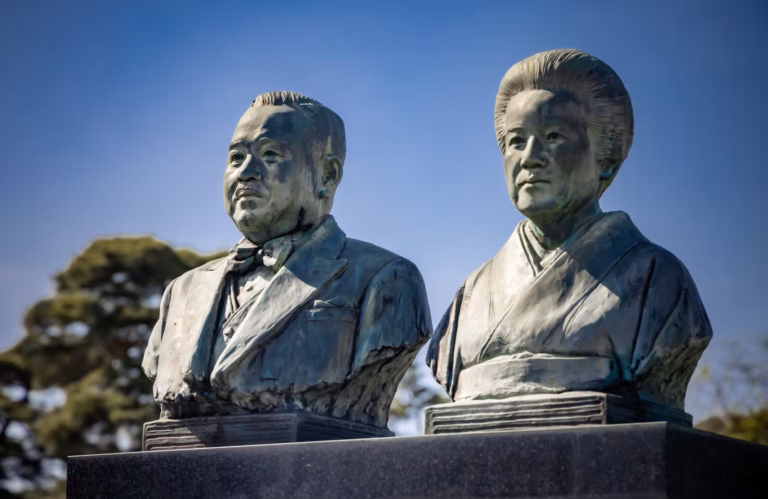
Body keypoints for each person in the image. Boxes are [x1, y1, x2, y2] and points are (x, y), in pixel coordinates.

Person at [427, 50, 711, 410]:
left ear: (606, 161)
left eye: (554, 135)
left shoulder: (658, 280)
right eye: (516, 141)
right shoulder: (469, 296)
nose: (530, 156)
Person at [143, 92, 431, 429]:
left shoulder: (386, 278)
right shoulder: (181, 293)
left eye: (269, 154)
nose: (246, 173)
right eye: (236, 157)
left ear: (327, 176)